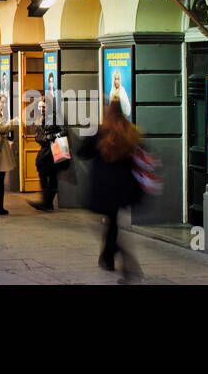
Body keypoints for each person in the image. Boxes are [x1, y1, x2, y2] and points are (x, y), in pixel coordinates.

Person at [78, 98, 143, 279]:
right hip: (123, 187)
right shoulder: (130, 133)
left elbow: (82, 152)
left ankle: (119, 253)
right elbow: (139, 156)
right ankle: (107, 256)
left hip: (102, 186)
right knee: (113, 221)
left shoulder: (100, 132)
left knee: (103, 222)